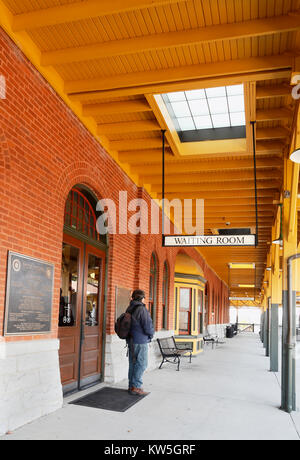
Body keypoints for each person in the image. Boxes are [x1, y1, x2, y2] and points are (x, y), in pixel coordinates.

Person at [126, 289, 154, 396]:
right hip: (140, 341)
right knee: (142, 364)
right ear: (142, 298)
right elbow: (147, 326)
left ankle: (131, 386)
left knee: (133, 364)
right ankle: (136, 387)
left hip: (131, 340)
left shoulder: (130, 308)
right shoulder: (141, 309)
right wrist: (151, 334)